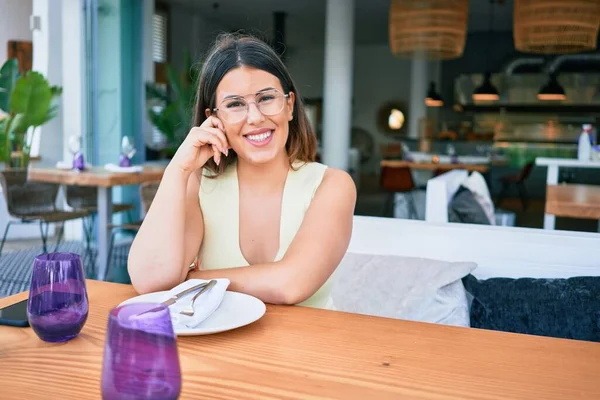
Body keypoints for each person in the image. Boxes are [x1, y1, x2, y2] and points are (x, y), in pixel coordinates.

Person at [127, 33, 356, 309]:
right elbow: (150, 281)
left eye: (266, 98)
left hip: (310, 348)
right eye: (235, 104)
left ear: (290, 106)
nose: (256, 117)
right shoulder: (200, 185)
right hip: (223, 348)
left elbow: (291, 283)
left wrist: (195, 279)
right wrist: (178, 169)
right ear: (215, 118)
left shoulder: (332, 185)